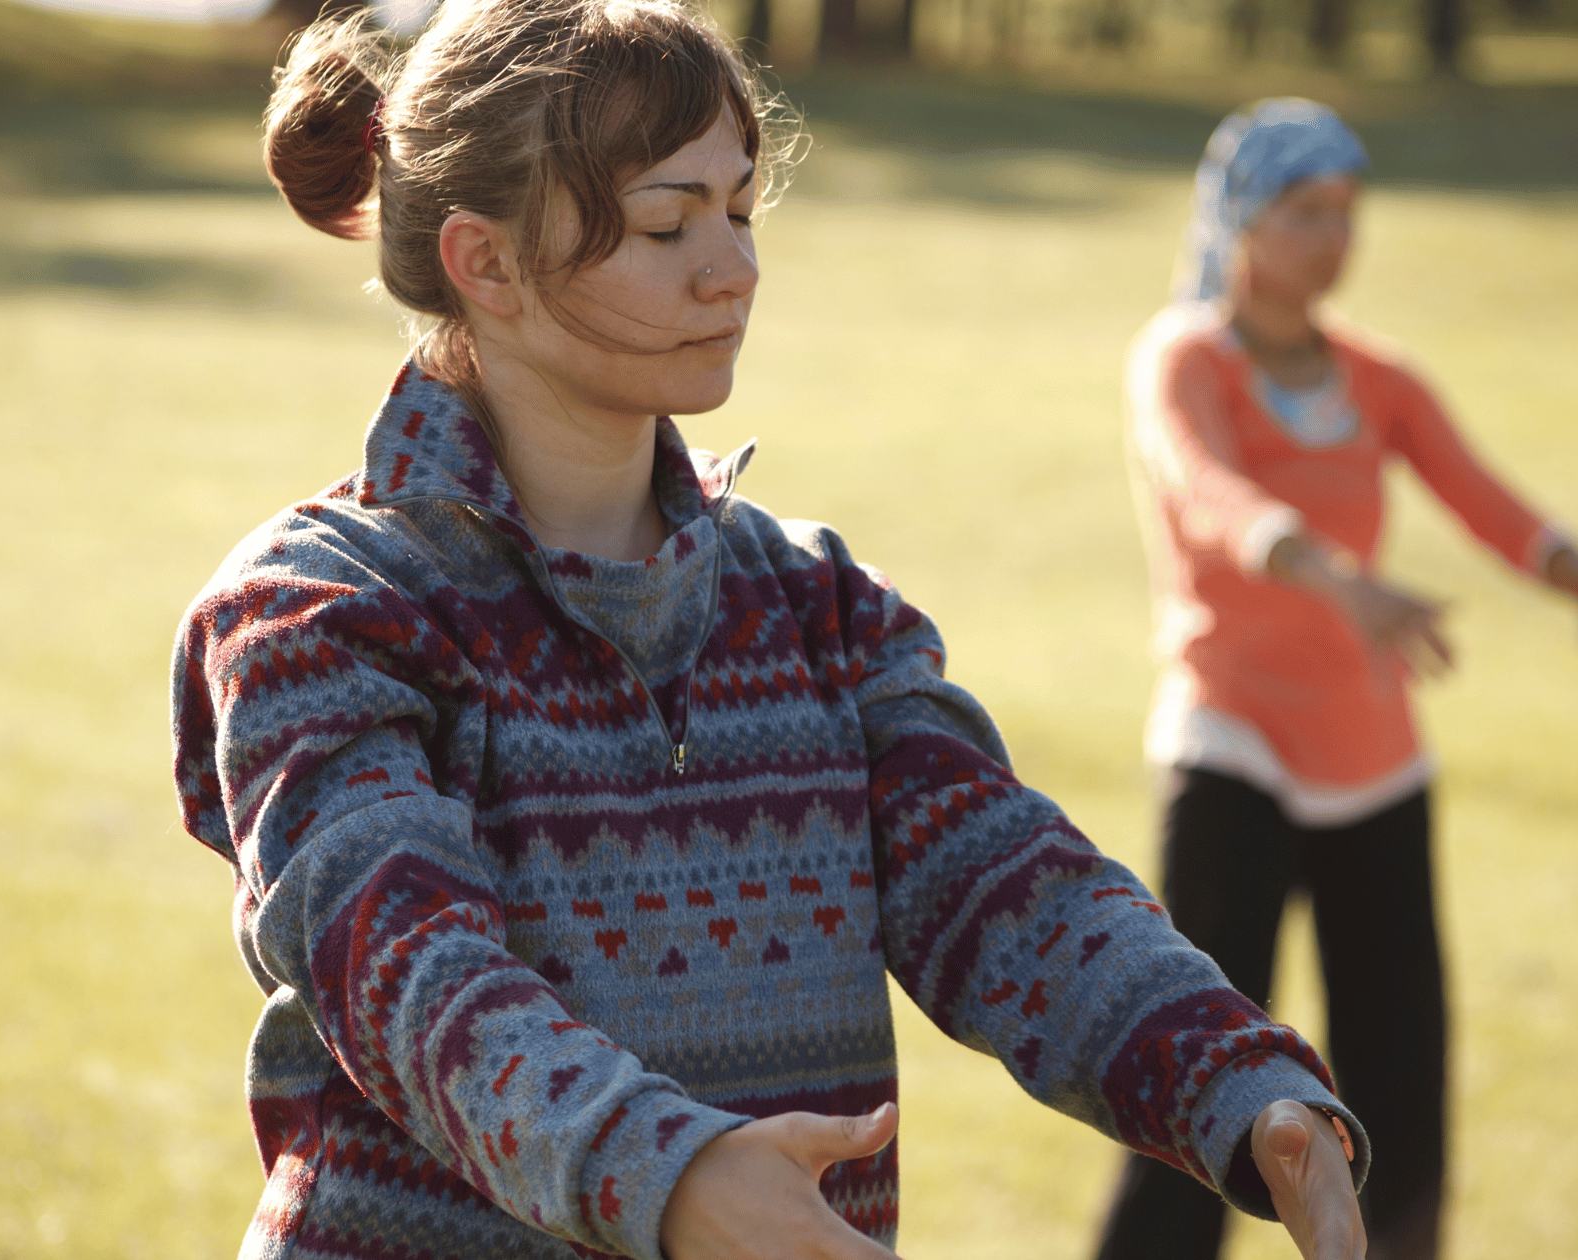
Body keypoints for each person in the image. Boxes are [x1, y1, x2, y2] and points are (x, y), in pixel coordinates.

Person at [171, 10, 1374, 1260]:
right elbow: (406, 977)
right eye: (664, 223)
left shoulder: (813, 604)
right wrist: (670, 1173)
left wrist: (1241, 1083)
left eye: (740, 212)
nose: (732, 268)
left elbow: (1005, 889)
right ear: (486, 263)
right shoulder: (320, 613)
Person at [1093, 98, 1578, 1260]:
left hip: (1373, 764)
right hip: (1229, 744)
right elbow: (1205, 490)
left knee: (1396, 1080)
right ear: (1242, 217)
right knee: (1195, 1069)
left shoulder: (1375, 375)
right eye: (1305, 212)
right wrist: (1334, 577)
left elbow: (1480, 494)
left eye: (1346, 212)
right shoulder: (1184, 355)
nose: (1333, 237)